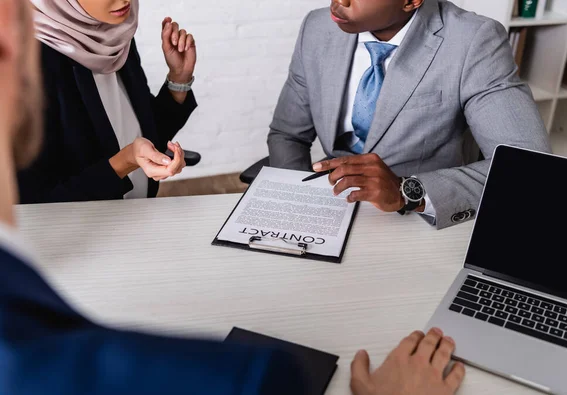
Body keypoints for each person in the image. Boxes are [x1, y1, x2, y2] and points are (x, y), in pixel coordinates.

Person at [0, 1, 466, 393]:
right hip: (87, 241)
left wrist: (179, 83)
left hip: (139, 228)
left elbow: (140, 136)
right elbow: (41, 203)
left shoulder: (113, 37)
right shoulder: (38, 56)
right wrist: (122, 164)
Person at [267, 0, 552, 229]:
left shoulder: (473, 41)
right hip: (334, 204)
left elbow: (528, 167)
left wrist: (408, 192)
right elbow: (287, 134)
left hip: (422, 214)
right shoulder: (317, 27)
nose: (338, 2)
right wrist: (299, 204)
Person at [18, 0, 198, 203]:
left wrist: (179, 78)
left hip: (139, 214)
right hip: (87, 229)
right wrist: (125, 161)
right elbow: (32, 203)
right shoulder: (22, 65)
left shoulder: (112, 36)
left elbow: (145, 132)